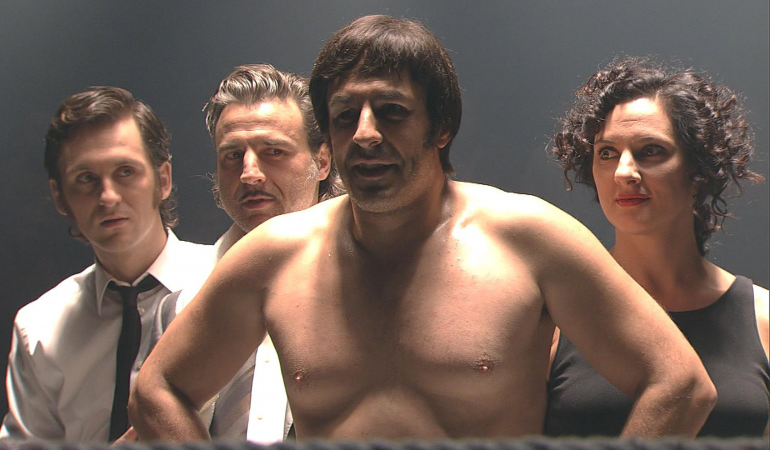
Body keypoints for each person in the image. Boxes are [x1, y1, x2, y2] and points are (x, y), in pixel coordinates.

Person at [130, 15, 716, 440]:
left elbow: (681, 384)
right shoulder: (275, 256)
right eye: (344, 116)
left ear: (440, 126)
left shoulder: (528, 238)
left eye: (391, 111)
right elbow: (157, 391)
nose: (364, 133)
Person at [545, 56, 769, 437]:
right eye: (606, 153)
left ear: (698, 171)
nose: (624, 172)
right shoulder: (555, 318)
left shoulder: (762, 320)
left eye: (650, 151)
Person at [0, 86, 214, 443]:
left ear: (163, 180)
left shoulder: (226, 282)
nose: (108, 196)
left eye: (125, 171)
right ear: (59, 197)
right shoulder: (38, 327)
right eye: (86, 179)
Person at [149, 64, 343, 443]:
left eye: (273, 151)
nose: (250, 173)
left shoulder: (371, 279)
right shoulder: (179, 299)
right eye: (233, 155)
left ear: (322, 161)